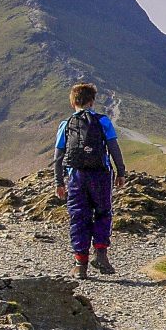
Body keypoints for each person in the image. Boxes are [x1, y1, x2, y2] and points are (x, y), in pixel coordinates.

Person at [53, 82, 128, 278]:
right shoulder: (103, 121)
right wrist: (120, 172)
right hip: (101, 175)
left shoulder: (66, 124)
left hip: (76, 176)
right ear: (92, 101)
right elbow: (113, 148)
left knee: (78, 217)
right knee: (103, 213)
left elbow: (58, 156)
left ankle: (80, 265)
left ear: (73, 102)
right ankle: (101, 253)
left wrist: (59, 182)